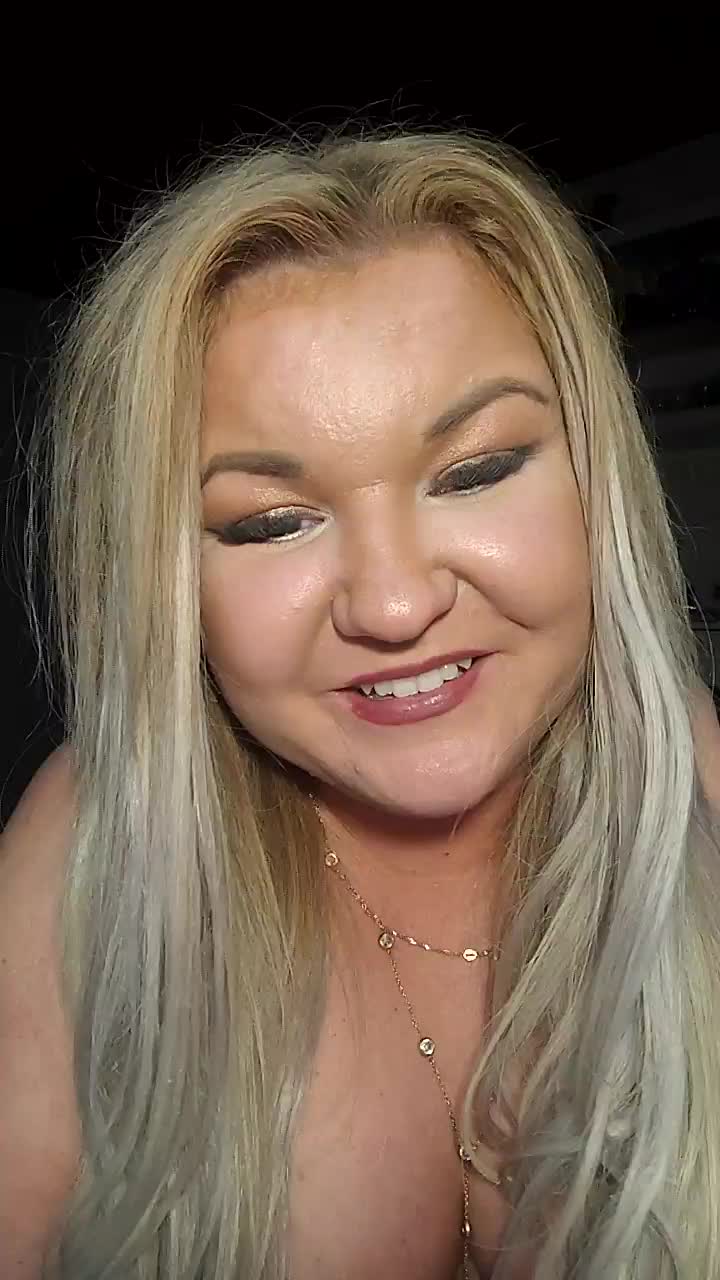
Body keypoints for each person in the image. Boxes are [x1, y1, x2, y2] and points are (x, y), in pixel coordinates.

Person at [2, 127, 720, 1280]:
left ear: (599, 474)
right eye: (270, 522)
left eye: (475, 470)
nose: (393, 604)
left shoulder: (701, 797)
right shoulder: (95, 848)